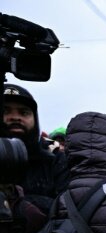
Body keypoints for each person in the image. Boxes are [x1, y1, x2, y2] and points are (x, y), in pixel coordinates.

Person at [1, 83, 69, 213]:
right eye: (5, 111)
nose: (15, 117)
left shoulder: (55, 156)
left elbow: (68, 207)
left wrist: (21, 204)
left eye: (24, 112)